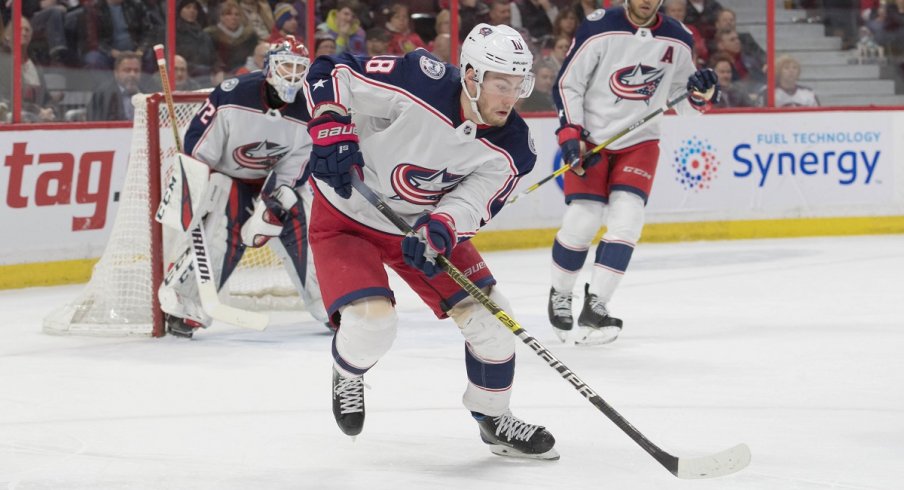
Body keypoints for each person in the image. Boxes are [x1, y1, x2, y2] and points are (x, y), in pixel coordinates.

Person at [302, 23, 558, 459]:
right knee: (372, 326)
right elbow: (330, 70)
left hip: (419, 226)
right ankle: (348, 371)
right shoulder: (420, 78)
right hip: (347, 211)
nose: (510, 98)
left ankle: (493, 417)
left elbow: (474, 200)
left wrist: (440, 228)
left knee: (494, 322)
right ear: (472, 75)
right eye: (501, 84)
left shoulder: (516, 147)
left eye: (519, 85)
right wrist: (330, 123)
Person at [547, 0, 719, 345]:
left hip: (639, 142)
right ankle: (560, 294)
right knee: (583, 219)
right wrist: (571, 135)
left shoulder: (678, 38)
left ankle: (596, 304)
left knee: (628, 220)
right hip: (592, 140)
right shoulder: (599, 27)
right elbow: (568, 85)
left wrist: (702, 93)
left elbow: (684, 104)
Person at [159, 36, 328, 338]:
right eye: (286, 65)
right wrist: (195, 183)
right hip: (229, 177)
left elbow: (300, 162)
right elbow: (199, 145)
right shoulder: (233, 94)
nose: (292, 74)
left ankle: (330, 303)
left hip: (274, 181)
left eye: (299, 68)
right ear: (269, 66)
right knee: (220, 231)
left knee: (303, 223)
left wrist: (277, 203)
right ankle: (188, 306)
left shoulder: (309, 107)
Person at [87, 51, 143, 121]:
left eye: (136, 71)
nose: (132, 74)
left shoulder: (147, 94)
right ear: (116, 73)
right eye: (127, 70)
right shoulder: (101, 94)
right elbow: (94, 126)